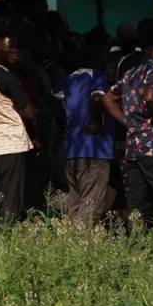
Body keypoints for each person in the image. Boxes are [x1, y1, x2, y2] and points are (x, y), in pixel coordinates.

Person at [105, 28, 153, 228]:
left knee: (138, 206)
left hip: (133, 149)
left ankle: (138, 247)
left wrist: (130, 123)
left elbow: (108, 98)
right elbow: (150, 97)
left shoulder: (131, 72)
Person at [0, 34, 39, 221]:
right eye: (9, 47)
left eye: (16, 47)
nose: (15, 51)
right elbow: (29, 112)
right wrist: (36, 133)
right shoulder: (4, 75)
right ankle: (9, 237)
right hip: (11, 143)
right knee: (12, 198)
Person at [58, 44, 116, 225]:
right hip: (93, 148)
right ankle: (79, 245)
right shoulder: (97, 77)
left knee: (76, 201)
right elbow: (97, 97)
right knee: (91, 202)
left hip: (72, 149)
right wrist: (95, 120)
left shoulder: (67, 80)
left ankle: (70, 240)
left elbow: (56, 102)